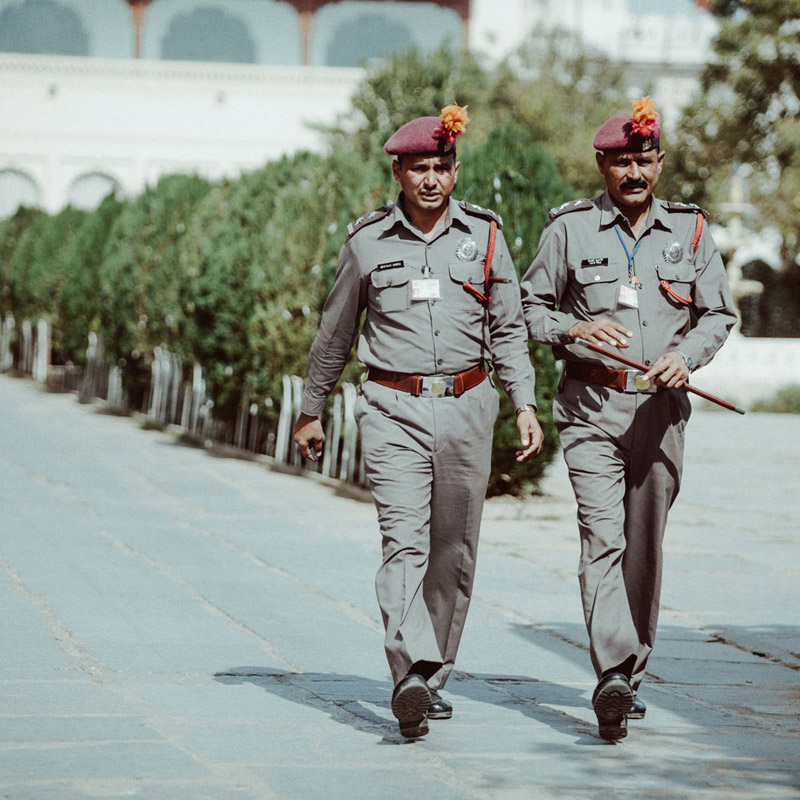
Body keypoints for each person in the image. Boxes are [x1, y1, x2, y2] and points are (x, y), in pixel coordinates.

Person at [294, 105, 544, 738]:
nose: (431, 179)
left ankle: (431, 679)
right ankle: (408, 670)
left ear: (455, 171)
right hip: (392, 407)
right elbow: (334, 335)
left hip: (468, 404)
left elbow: (509, 329)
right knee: (403, 540)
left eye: (441, 167)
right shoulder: (367, 242)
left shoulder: (485, 237)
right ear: (398, 173)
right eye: (418, 169)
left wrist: (524, 403)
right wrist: (310, 410)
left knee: (453, 548)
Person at [520, 97, 737, 741]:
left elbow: (719, 316)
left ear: (660, 163)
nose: (634, 172)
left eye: (645, 160)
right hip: (589, 406)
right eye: (621, 162)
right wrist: (577, 326)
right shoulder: (568, 230)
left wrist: (686, 356)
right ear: (602, 164)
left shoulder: (692, 231)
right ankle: (612, 669)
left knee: (644, 544)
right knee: (601, 536)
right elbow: (531, 310)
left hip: (661, 409)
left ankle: (630, 671)